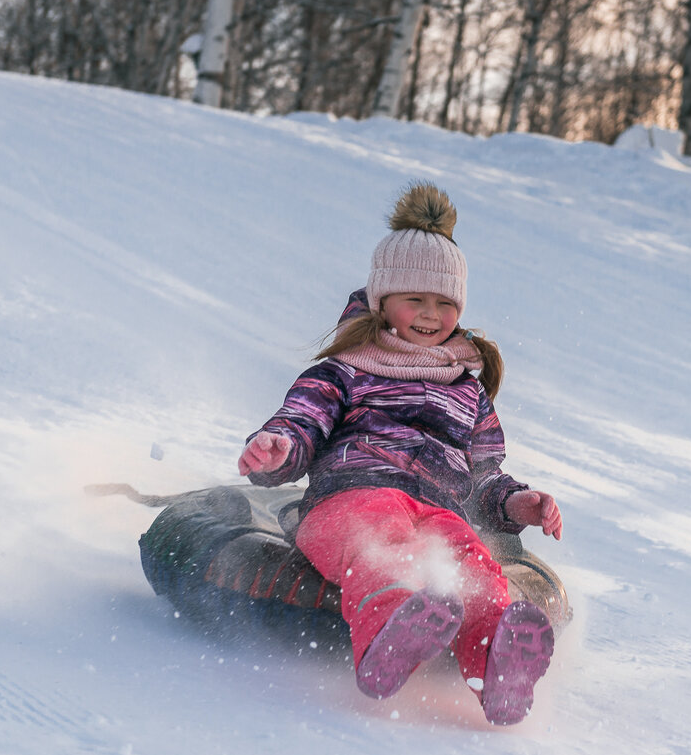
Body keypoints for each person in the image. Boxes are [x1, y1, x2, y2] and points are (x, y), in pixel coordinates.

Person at [237, 182, 563, 726]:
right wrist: (280, 448)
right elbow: (304, 419)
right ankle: (391, 633)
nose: (430, 314)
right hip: (350, 501)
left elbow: (483, 474)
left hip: (437, 509)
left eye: (444, 303)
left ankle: (499, 663)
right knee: (379, 543)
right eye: (415, 299)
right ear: (383, 299)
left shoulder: (466, 388)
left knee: (471, 561)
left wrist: (517, 503)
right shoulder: (345, 367)